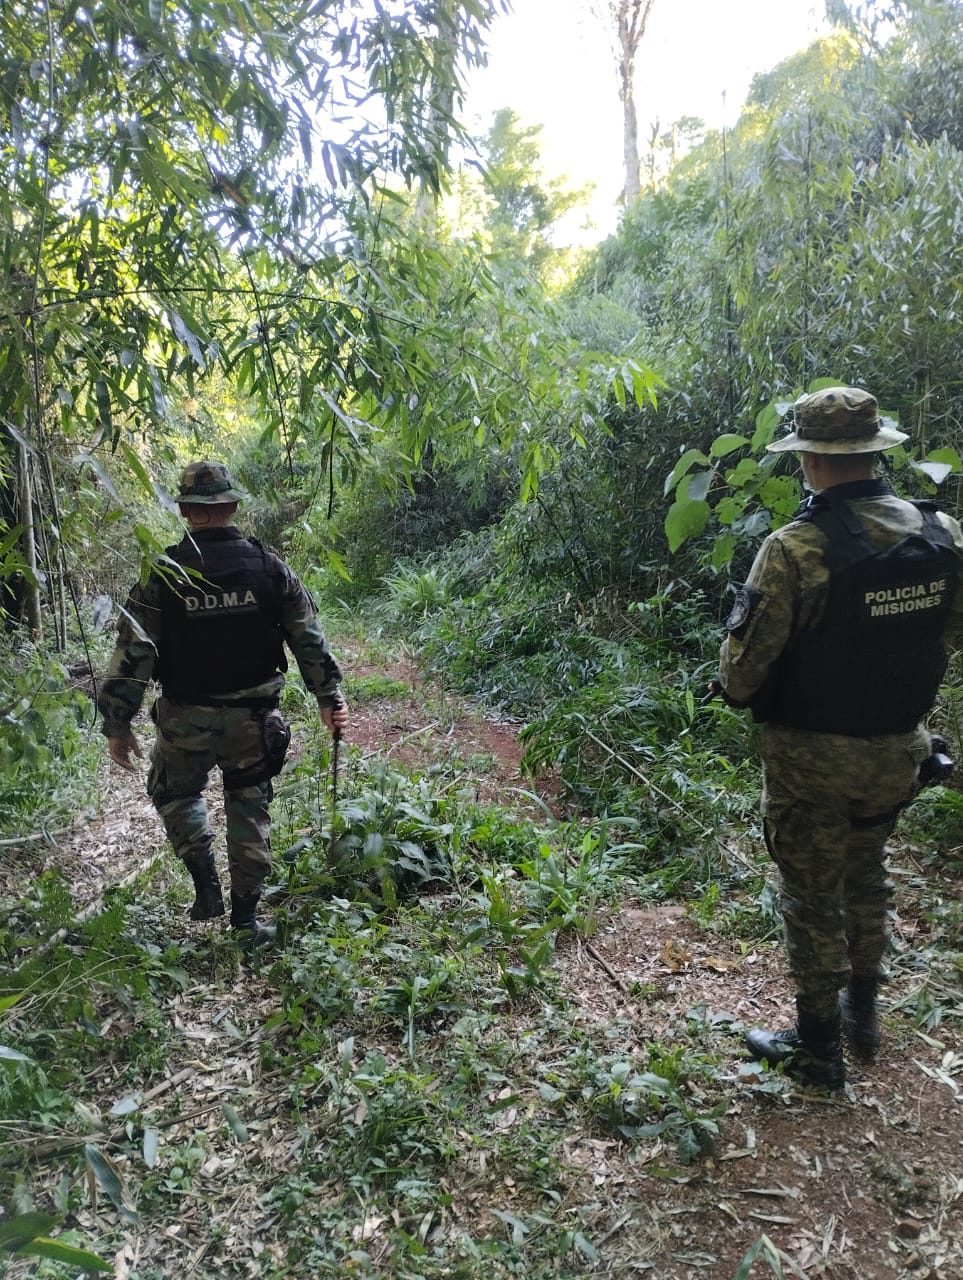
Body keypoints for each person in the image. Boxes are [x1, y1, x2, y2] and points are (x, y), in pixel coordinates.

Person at [717, 387, 963, 1088]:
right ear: (871, 451)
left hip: (808, 760)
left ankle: (816, 1047)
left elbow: (741, 674)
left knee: (809, 893)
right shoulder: (939, 533)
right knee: (867, 872)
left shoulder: (793, 548)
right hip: (895, 750)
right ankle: (862, 1013)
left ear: (812, 461)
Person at [98, 461, 348, 947]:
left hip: (185, 718)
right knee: (250, 810)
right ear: (232, 506)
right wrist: (329, 696)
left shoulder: (163, 576)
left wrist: (117, 722)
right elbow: (308, 638)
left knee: (175, 793)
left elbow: (134, 652)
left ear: (187, 510)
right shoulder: (270, 568)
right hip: (254, 721)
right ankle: (246, 922)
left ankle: (205, 886)